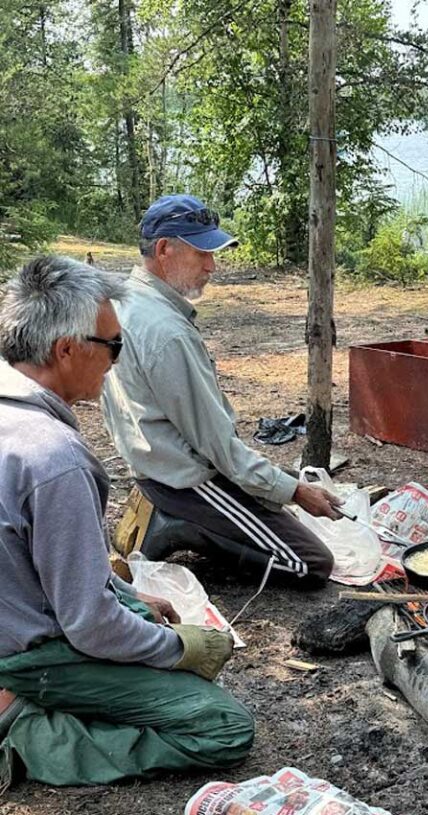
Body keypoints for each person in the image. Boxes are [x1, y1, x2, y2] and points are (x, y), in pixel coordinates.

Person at [0, 255, 254, 789]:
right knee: (222, 727)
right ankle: (24, 727)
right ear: (65, 350)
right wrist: (178, 649)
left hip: (17, 616)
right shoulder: (54, 459)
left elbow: (35, 560)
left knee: (131, 614)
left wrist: (129, 598)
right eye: (111, 345)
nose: (116, 360)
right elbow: (87, 625)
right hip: (30, 653)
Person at [101, 194, 341, 588]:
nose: (212, 266)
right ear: (164, 250)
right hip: (185, 480)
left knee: (268, 502)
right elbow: (217, 447)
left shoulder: (125, 301)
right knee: (311, 564)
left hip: (155, 463)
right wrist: (293, 490)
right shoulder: (166, 332)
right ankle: (180, 527)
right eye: (201, 254)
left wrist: (275, 486)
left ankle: (181, 515)